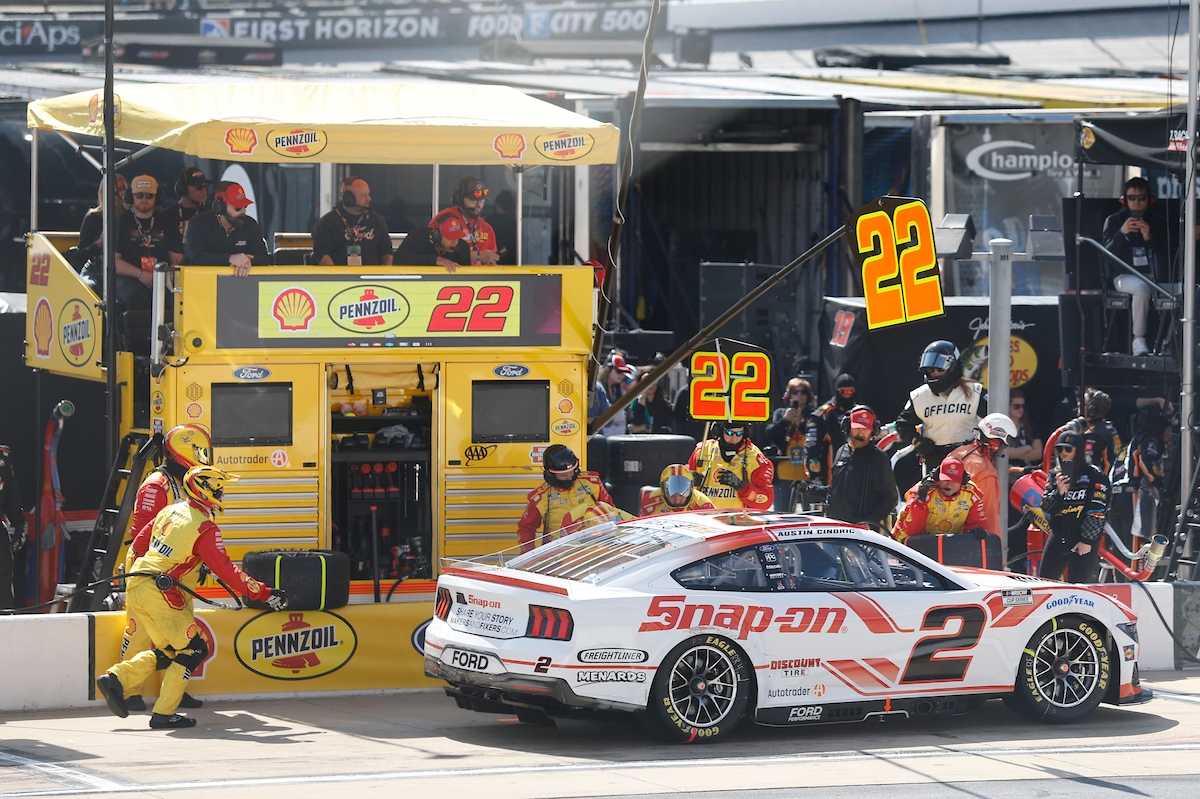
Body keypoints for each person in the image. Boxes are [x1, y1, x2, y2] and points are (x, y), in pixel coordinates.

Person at [96, 466, 288, 729]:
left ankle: (116, 679)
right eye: (219, 490)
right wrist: (265, 593)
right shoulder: (205, 528)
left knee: (172, 651)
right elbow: (228, 572)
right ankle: (163, 714)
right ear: (206, 491)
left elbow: (139, 544)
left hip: (139, 583)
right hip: (159, 591)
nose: (222, 495)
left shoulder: (170, 510)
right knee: (194, 649)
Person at [118, 424, 212, 712]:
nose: (204, 458)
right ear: (185, 451)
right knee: (140, 630)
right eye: (200, 452)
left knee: (180, 630)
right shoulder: (157, 485)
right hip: (150, 568)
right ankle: (128, 691)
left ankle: (175, 690)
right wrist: (150, 571)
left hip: (178, 570)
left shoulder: (186, 482)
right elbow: (141, 534)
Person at [797, 405, 897, 533]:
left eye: (865, 429)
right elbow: (836, 492)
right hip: (835, 530)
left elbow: (890, 498)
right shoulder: (841, 451)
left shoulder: (879, 459)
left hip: (862, 534)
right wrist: (809, 489)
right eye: (857, 428)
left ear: (873, 431)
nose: (861, 433)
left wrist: (870, 521)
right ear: (847, 427)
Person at [1101, 177, 1169, 356]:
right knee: (1142, 288)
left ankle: (1170, 340)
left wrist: (1149, 238)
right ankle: (1138, 339)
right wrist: (1122, 233)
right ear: (1125, 200)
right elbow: (1107, 256)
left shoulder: (1158, 221)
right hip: (1124, 276)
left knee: (1183, 290)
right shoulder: (1114, 221)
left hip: (1153, 274)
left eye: (1141, 198)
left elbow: (1166, 255)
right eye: (1132, 198)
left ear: (1150, 199)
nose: (1137, 202)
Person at [895, 340, 985, 472]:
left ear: (953, 366)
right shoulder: (918, 395)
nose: (935, 373)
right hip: (935, 460)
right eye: (930, 369)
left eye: (940, 368)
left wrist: (983, 445)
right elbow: (902, 424)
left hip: (970, 456)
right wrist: (917, 442)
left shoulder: (976, 391)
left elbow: (993, 422)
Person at [1039, 432, 1109, 583]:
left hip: (1083, 541)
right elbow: (1046, 507)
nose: (1063, 452)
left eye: (1068, 449)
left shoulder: (1095, 475)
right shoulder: (1054, 475)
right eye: (1060, 449)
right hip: (1059, 537)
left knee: (1080, 589)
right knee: (1043, 584)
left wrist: (1086, 540)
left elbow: (1097, 510)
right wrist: (1059, 492)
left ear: (1079, 450)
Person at [516, 445, 613, 552]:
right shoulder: (538, 498)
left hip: (596, 548)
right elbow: (526, 529)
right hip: (561, 553)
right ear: (550, 474)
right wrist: (530, 555)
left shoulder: (593, 482)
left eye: (572, 472)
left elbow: (612, 512)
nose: (570, 477)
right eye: (563, 475)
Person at [113, 175, 184, 313]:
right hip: (129, 278)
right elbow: (114, 262)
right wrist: (140, 274)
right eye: (139, 195)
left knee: (175, 296)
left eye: (149, 196)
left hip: (162, 278)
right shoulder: (120, 222)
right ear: (131, 197)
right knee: (136, 296)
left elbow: (178, 259)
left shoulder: (167, 222)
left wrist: (163, 276)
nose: (144, 199)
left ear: (157, 197)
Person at [1109, 405, 1171, 559]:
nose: (1169, 438)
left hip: (1114, 498)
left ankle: (1121, 576)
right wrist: (1161, 489)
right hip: (1132, 497)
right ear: (1160, 430)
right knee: (1137, 547)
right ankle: (1136, 575)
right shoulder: (1151, 438)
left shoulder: (1128, 446)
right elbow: (1147, 460)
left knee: (1120, 551)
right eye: (1168, 433)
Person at [948, 412, 1017, 541]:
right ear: (996, 443)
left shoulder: (957, 453)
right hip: (968, 541)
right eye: (1006, 443)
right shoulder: (986, 473)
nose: (1006, 449)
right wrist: (996, 547)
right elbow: (989, 517)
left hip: (944, 534)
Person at [892, 456, 989, 542]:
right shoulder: (922, 491)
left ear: (963, 481)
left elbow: (976, 523)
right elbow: (913, 531)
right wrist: (919, 502)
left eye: (954, 481)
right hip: (905, 544)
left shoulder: (972, 493)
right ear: (937, 477)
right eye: (945, 479)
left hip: (944, 544)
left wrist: (977, 528)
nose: (949, 485)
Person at [184, 182, 268, 276]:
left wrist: (248, 261)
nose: (243, 211)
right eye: (238, 208)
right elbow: (197, 257)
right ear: (220, 207)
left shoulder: (250, 225)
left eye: (245, 206)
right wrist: (229, 259)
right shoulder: (198, 223)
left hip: (238, 282)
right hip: (201, 280)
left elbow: (263, 256)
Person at [688, 420, 774, 510]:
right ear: (719, 430)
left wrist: (741, 486)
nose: (734, 438)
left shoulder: (756, 459)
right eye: (729, 433)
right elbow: (682, 493)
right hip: (705, 516)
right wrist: (689, 481)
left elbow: (765, 501)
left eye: (739, 434)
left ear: (746, 433)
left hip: (737, 517)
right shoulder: (702, 451)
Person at [312, 176, 393, 266]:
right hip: (341, 274)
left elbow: (386, 251)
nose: (369, 198)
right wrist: (334, 274)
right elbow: (321, 253)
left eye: (368, 194)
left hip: (372, 274)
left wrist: (386, 271)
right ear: (348, 199)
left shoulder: (376, 220)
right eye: (363, 195)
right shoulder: (327, 223)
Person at [765, 377, 814, 512]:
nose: (799, 395)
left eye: (803, 392)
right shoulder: (781, 413)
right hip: (783, 471)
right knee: (782, 513)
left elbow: (818, 437)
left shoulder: (813, 414)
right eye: (795, 392)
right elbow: (769, 433)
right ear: (788, 396)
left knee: (809, 513)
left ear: (808, 396)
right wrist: (785, 420)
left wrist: (800, 424)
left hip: (807, 472)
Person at [1050, 387, 1122, 475]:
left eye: (1083, 402)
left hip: (1099, 481)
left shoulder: (1093, 435)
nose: (1078, 404)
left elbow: (1088, 467)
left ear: (1092, 409)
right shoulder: (1109, 427)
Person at [430, 176, 499, 266]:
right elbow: (431, 250)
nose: (478, 204)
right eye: (474, 201)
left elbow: (491, 263)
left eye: (482, 200)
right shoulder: (444, 219)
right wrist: (478, 256)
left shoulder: (487, 228)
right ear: (460, 199)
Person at [805, 373, 857, 485]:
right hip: (829, 475)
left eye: (850, 392)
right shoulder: (823, 414)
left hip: (856, 473)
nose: (847, 395)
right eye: (843, 392)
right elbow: (811, 447)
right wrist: (815, 476)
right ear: (837, 392)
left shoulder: (860, 412)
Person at [72, 175, 127, 279]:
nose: (116, 194)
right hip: (95, 270)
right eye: (111, 190)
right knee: (89, 286)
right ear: (103, 193)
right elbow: (80, 255)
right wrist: (99, 243)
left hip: (123, 270)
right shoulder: (92, 217)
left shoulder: (129, 217)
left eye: (119, 190)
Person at [393, 214, 471, 272]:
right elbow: (398, 260)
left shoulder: (463, 247)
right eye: (451, 237)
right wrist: (435, 260)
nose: (456, 242)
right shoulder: (418, 237)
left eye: (458, 236)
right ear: (436, 235)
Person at [0, 445, 26, 611]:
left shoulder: (2, 458)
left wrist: (18, 525)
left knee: (3, 579)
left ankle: (4, 620)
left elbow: (10, 494)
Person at [588, 350, 634, 437]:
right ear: (607, 369)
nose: (621, 375)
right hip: (603, 438)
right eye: (618, 371)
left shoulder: (620, 390)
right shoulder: (597, 389)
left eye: (622, 372)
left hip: (621, 438)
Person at [639, 464, 715, 516]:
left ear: (691, 490)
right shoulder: (649, 501)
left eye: (682, 495)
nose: (677, 500)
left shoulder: (704, 505)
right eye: (672, 496)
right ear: (663, 491)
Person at [163, 166, 209, 239]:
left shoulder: (209, 216)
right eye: (199, 187)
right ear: (183, 189)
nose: (204, 191)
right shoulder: (166, 216)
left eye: (206, 187)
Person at [626, 367, 673, 433]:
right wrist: (643, 393)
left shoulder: (665, 406)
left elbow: (669, 430)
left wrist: (645, 428)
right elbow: (636, 421)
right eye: (648, 382)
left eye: (654, 381)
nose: (651, 385)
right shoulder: (633, 404)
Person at [1006, 389, 1043, 468]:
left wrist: (1014, 453)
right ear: (1007, 406)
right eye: (1016, 406)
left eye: (1023, 406)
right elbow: (1005, 453)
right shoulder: (1002, 425)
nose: (1021, 409)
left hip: (1027, 470)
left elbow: (1038, 454)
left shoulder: (1030, 425)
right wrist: (1027, 448)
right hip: (1007, 471)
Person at [488, 189, 518, 265]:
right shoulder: (514, 224)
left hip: (490, 262)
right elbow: (512, 246)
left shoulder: (487, 222)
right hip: (509, 264)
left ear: (496, 204)